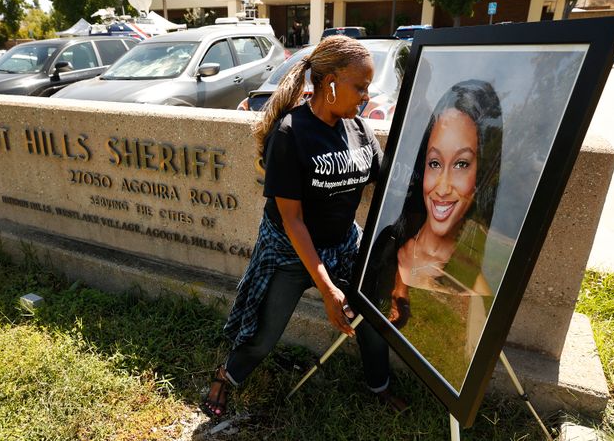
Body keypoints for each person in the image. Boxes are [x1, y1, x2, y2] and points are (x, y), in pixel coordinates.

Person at [202, 35, 405, 418]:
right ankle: (224, 377)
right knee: (263, 335)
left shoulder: (359, 129)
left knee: (371, 317)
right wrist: (328, 289)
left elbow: (386, 180)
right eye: (359, 86)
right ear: (329, 84)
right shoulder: (290, 133)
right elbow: (292, 220)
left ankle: (379, 384)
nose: (365, 96)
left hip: (344, 244)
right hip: (290, 251)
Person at [365, 79, 503, 335]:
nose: (442, 187)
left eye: (461, 164)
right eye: (435, 163)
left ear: (482, 173)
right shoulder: (391, 244)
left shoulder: (474, 284)